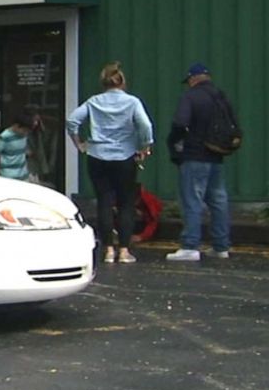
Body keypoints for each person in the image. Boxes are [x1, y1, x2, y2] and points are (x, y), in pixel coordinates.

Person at [67, 61, 154, 264]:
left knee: (104, 202)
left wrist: (78, 142)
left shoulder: (93, 101)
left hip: (97, 155)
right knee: (125, 204)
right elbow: (145, 125)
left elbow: (72, 121)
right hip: (125, 156)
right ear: (122, 83)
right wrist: (144, 146)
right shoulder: (132, 102)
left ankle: (108, 250)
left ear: (103, 83)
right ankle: (124, 250)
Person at [164, 63, 236, 261]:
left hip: (194, 155)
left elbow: (180, 123)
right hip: (217, 155)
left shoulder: (191, 96)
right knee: (218, 200)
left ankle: (190, 246)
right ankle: (221, 246)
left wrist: (173, 143)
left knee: (192, 200)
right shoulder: (221, 96)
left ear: (193, 78)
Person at [0, 111, 36, 181]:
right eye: (24, 130)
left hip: (23, 174)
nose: (25, 133)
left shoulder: (24, 135)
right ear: (16, 126)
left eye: (27, 131)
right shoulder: (4, 137)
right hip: (8, 174)